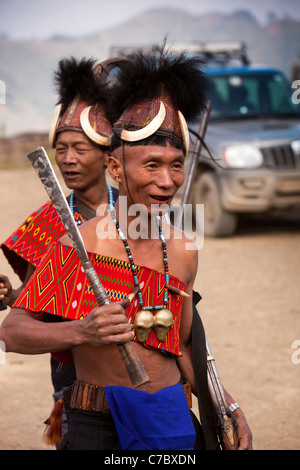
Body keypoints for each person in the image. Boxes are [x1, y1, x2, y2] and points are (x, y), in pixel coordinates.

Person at [0, 45, 253, 450]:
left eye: (175, 165)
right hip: (97, 424)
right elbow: (11, 332)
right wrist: (81, 330)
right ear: (115, 168)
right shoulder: (78, 244)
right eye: (151, 165)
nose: (168, 181)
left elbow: (182, 343)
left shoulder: (184, 248)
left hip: (171, 419)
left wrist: (225, 403)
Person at [0, 56, 119, 443]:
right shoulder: (50, 222)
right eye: (62, 148)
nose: (68, 159)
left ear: (107, 155)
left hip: (144, 384)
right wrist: (14, 296)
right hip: (74, 387)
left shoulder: (138, 217)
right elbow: (37, 309)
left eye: (80, 148)